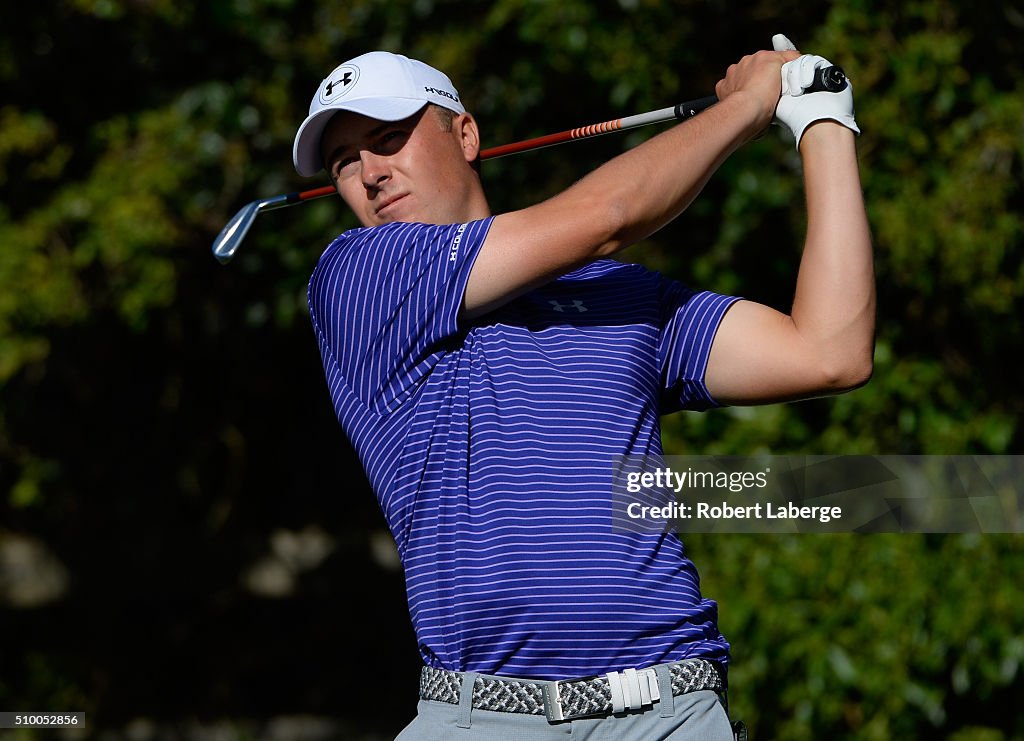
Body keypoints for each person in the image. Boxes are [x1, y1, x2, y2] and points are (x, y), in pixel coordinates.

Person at [291, 34, 873, 740]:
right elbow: (607, 217)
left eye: (388, 139)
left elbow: (829, 351)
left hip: (670, 708)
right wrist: (749, 107)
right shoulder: (358, 278)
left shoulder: (615, 295)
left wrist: (822, 121)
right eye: (344, 162)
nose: (372, 173)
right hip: (482, 717)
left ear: (465, 133)